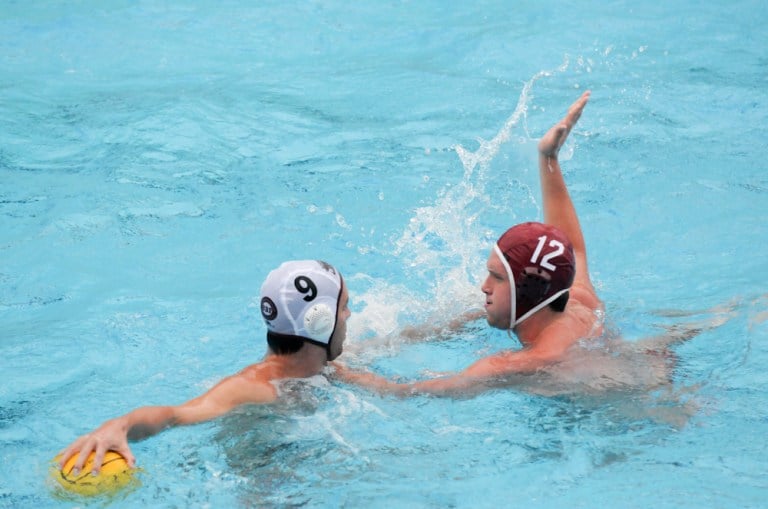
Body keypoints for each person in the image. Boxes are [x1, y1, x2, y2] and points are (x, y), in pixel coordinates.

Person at [334, 91, 727, 398]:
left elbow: (415, 393)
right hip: (650, 366)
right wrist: (548, 157)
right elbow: (574, 247)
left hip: (643, 415)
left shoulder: (534, 362)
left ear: (528, 289)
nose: (483, 287)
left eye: (496, 277)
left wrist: (336, 372)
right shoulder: (579, 300)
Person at [58, 259, 351, 475]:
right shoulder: (253, 387)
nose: (350, 315)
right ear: (319, 318)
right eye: (344, 306)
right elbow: (178, 414)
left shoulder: (324, 369)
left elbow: (391, 387)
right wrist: (121, 425)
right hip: (256, 474)